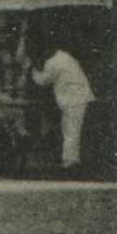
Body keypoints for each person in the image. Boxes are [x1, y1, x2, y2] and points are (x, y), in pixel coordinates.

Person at [29, 40, 95, 175]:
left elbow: (42, 81)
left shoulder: (53, 63)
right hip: (80, 96)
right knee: (71, 130)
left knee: (71, 131)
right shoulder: (64, 56)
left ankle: (70, 163)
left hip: (74, 99)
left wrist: (32, 69)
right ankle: (70, 161)